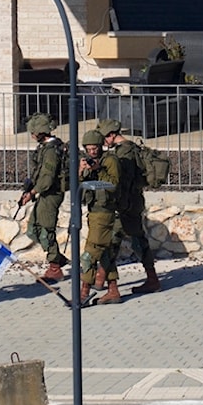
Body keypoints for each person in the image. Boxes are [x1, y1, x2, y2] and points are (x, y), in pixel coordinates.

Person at [97, 118, 162, 294]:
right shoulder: (132, 147)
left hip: (125, 203)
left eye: (104, 138)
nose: (103, 143)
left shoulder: (122, 153)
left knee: (111, 241)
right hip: (134, 201)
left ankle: (107, 285)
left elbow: (121, 181)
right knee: (137, 239)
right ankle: (151, 278)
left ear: (111, 135)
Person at [20, 113, 69, 282]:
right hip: (43, 193)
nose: (32, 135)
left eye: (33, 132)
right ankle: (57, 257)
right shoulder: (45, 148)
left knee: (46, 230)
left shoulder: (51, 151)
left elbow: (47, 179)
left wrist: (33, 192)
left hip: (51, 194)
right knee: (33, 229)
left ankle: (55, 267)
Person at [78, 129, 122, 305]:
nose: (92, 152)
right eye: (89, 148)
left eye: (95, 148)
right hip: (93, 211)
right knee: (105, 251)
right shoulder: (85, 161)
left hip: (105, 212)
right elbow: (75, 187)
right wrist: (80, 171)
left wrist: (98, 169)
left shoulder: (110, 161)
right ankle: (113, 290)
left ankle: (84, 292)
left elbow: (113, 185)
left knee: (91, 252)